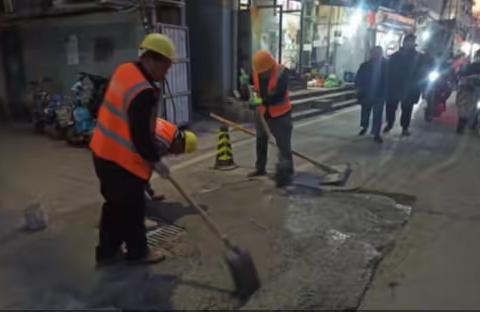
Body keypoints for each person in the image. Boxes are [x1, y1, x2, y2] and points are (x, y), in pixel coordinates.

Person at [89, 33, 197, 266]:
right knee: (132, 209)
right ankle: (138, 252)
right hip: (121, 161)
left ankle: (107, 252)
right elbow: (141, 135)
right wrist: (156, 160)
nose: (165, 73)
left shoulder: (124, 71)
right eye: (166, 67)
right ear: (153, 60)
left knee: (114, 207)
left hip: (100, 151)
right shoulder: (144, 91)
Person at [248, 50, 293, 187]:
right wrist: (248, 92)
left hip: (281, 114)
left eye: (264, 71)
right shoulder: (257, 72)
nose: (262, 74)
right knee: (261, 140)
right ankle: (260, 168)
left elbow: (277, 95)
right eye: (260, 72)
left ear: (270, 66)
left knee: (283, 145)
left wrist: (261, 101)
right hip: (263, 114)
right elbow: (254, 89)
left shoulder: (282, 72)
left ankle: (286, 173)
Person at [384, 34, 427, 136]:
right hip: (394, 87)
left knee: (407, 109)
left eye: (411, 42)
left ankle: (405, 127)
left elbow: (422, 73)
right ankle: (389, 123)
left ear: (413, 44)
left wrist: (422, 87)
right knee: (390, 107)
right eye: (407, 41)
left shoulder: (419, 57)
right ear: (404, 43)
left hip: (410, 88)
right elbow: (388, 71)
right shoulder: (395, 56)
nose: (409, 44)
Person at [355, 46, 388, 143]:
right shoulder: (365, 65)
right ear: (371, 54)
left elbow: (390, 78)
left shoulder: (386, 65)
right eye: (374, 53)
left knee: (378, 114)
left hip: (380, 93)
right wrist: (358, 88)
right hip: (367, 92)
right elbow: (359, 77)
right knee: (365, 111)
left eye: (378, 53)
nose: (376, 55)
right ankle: (364, 126)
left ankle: (376, 133)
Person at [456, 50, 480, 134]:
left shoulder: (470, 66)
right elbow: (462, 74)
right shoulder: (470, 66)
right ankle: (462, 125)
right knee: (465, 108)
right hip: (469, 90)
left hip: (475, 91)